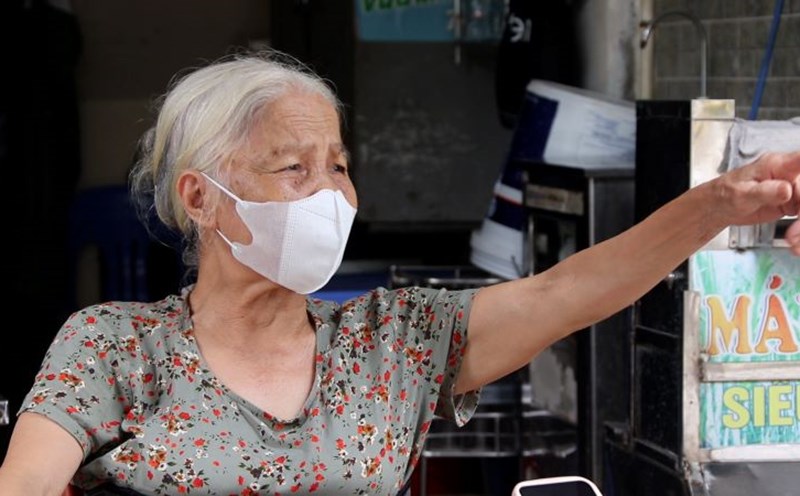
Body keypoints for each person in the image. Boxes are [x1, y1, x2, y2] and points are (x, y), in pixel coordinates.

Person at [1, 50, 799, 496]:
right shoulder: (114, 347)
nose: (330, 193)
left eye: (338, 166)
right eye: (293, 167)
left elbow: (567, 292)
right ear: (201, 198)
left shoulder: (394, 342)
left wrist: (719, 203)